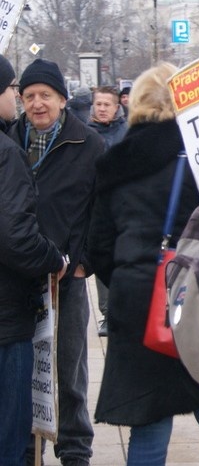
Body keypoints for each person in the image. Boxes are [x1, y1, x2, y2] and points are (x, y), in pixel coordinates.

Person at [87, 63, 199, 465]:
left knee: (150, 424)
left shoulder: (115, 163)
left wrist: (131, 276)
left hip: (138, 302)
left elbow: (99, 245)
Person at [7, 58, 105, 466]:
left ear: (62, 100)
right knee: (26, 374)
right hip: (18, 279)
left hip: (67, 280)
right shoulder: (9, 140)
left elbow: (101, 213)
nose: (37, 104)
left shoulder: (88, 144)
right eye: (28, 96)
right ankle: (31, 450)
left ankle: (75, 450)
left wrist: (85, 262)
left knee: (69, 372)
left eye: (45, 95)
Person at [0, 55, 68, 464]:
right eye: (13, 90)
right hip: (6, 320)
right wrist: (53, 258)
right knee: (10, 432)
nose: (19, 98)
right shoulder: (6, 152)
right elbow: (14, 236)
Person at [88, 85, 129, 337]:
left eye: (107, 104)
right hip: (97, 206)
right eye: (98, 104)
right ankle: (106, 313)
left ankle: (122, 309)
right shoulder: (86, 134)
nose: (102, 109)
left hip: (123, 206)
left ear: (117, 107)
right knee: (101, 255)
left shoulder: (127, 132)